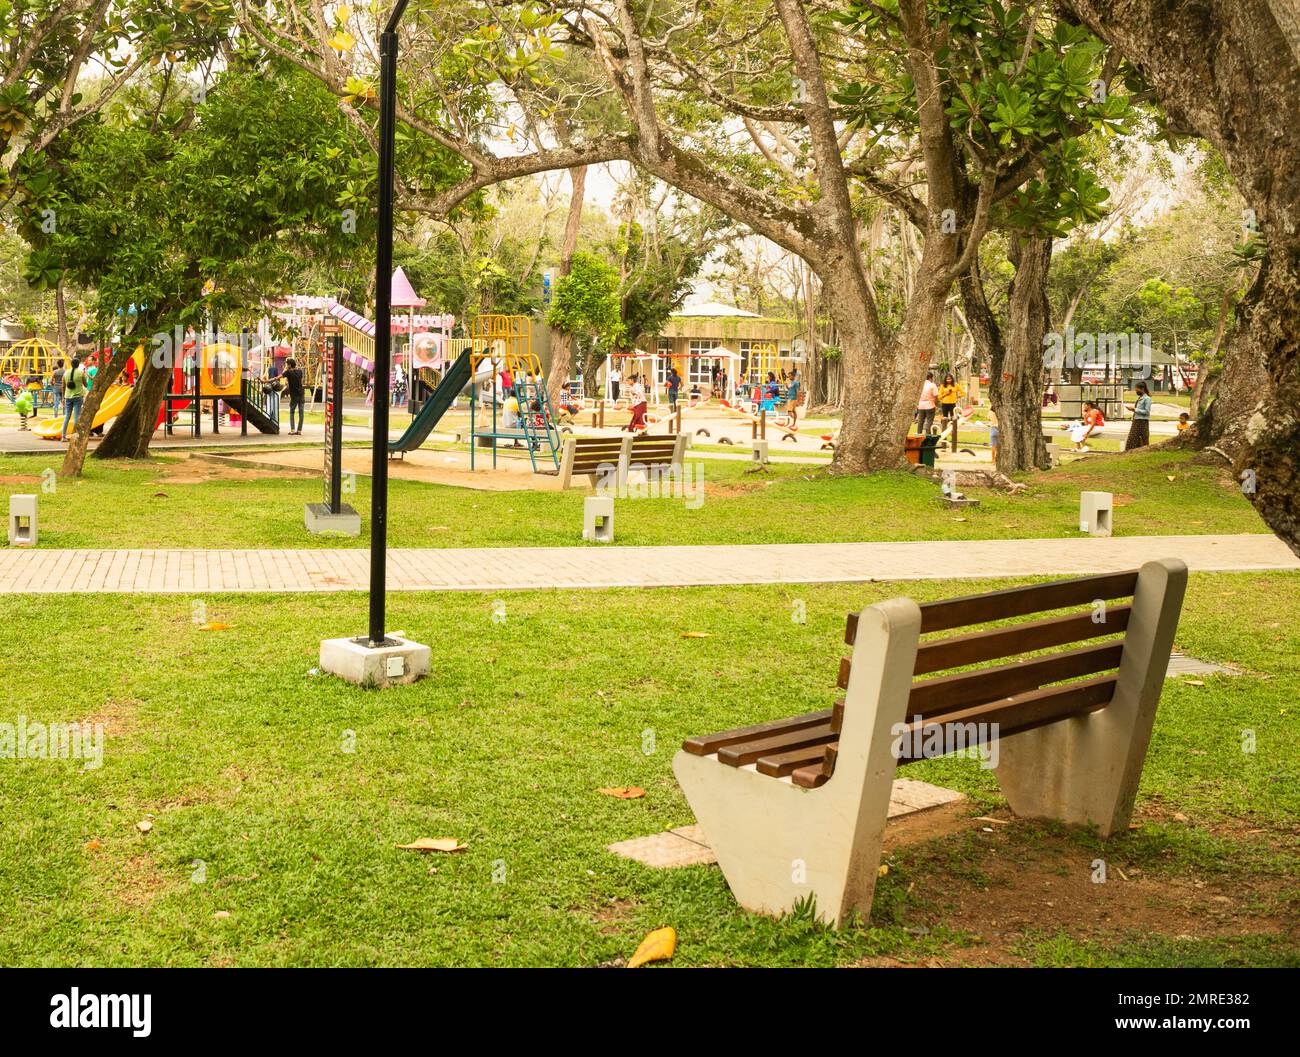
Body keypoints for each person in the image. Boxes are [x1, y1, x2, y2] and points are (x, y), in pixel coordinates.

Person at [60, 356, 87, 441]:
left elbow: (63, 386)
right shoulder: (81, 373)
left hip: (67, 397)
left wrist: (63, 398)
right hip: (78, 397)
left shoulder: (66, 373)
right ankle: (75, 436)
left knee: (67, 416)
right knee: (76, 416)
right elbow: (85, 384)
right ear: (78, 364)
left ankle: (63, 436)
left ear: (71, 364)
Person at [1125, 381, 1152, 450]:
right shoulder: (1140, 398)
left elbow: (1147, 412)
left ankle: (1144, 452)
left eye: (1137, 390)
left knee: (1143, 439)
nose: (1136, 392)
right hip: (1136, 421)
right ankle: (1131, 453)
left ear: (1142, 389)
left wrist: (1134, 409)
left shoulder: (1147, 399)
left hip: (1142, 422)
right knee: (1132, 440)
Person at [282, 357, 305, 434]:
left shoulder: (288, 372)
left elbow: (278, 377)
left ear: (289, 365)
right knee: (301, 412)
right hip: (301, 393)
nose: (286, 365)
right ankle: (299, 430)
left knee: (292, 412)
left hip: (294, 395)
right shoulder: (300, 371)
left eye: (287, 364)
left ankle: (292, 430)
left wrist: (266, 381)